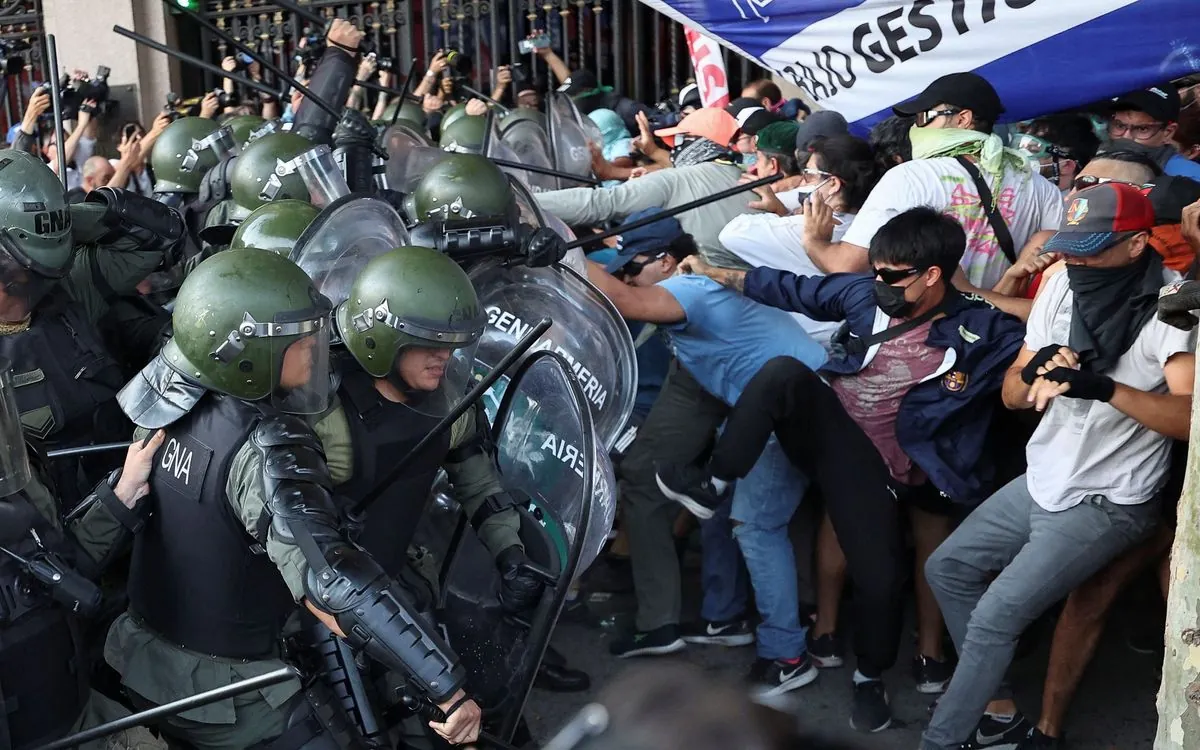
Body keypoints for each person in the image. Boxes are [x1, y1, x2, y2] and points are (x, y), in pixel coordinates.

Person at [656, 207, 1026, 732]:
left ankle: (868, 679)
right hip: (835, 438)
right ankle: (714, 484)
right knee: (783, 372)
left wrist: (1050, 362)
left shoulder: (980, 328)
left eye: (892, 275)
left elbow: (1027, 363)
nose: (879, 283)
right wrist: (710, 275)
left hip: (895, 470)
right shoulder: (861, 296)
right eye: (875, 269)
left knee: (880, 581)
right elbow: (784, 287)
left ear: (932, 276)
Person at [106, 248, 483, 749]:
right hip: (228, 692)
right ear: (248, 353)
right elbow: (329, 581)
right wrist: (447, 687)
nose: (316, 348)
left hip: (135, 651)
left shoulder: (168, 397)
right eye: (301, 340)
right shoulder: (265, 449)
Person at [920, 182, 1193, 750]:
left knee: (997, 616)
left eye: (1092, 247)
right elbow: (1012, 395)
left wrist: (1103, 387)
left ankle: (939, 742)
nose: (1076, 257)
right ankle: (997, 709)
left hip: (1111, 499)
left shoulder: (1173, 308)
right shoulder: (1063, 284)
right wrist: (1035, 370)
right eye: (1071, 244)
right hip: (1045, 475)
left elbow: (1189, 419)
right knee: (947, 569)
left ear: (1138, 245)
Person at [316, 245, 589, 694]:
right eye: (428, 342)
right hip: (318, 601)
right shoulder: (326, 413)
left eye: (450, 343)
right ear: (382, 337)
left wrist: (512, 556)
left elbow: (479, 484)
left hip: (395, 583)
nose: (443, 357)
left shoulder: (450, 406)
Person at [585, 210, 828, 700]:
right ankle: (676, 621)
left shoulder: (693, 287)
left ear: (669, 260)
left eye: (635, 267)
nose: (628, 276)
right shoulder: (685, 302)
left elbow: (624, 299)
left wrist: (556, 244)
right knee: (645, 476)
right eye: (623, 268)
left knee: (755, 524)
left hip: (793, 409)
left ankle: (788, 657)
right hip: (733, 392)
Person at [802, 72, 1063, 321]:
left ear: (962, 119)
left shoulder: (908, 177)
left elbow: (847, 265)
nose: (917, 126)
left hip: (926, 334)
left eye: (926, 116)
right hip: (1000, 331)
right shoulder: (1040, 187)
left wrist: (815, 241)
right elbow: (1051, 266)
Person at [0, 150, 179, 504]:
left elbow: (163, 236)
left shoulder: (70, 289)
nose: (29, 293)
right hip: (57, 536)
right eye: (16, 279)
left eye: (39, 274)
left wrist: (59, 221)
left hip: (134, 493)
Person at [719, 134, 882, 346]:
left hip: (822, 340)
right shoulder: (874, 223)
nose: (804, 180)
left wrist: (781, 213)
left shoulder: (799, 228)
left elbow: (731, 234)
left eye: (810, 174)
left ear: (833, 184)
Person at [537, 107, 757, 251]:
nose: (673, 147)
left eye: (678, 140)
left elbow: (600, 203)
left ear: (696, 141)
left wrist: (524, 203)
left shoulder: (672, 181)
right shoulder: (753, 176)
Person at [1106, 84, 1200, 180]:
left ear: (1168, 132)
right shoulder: (1098, 164)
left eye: (1142, 129)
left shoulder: (1191, 179)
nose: (1126, 137)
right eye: (1120, 126)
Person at [1014, 114, 1102, 194]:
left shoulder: (1071, 208)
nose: (1020, 154)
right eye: (1021, 145)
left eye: (1033, 150)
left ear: (1066, 165)